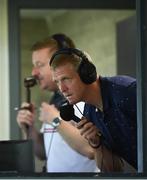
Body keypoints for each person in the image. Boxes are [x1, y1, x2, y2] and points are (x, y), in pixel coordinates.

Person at [16, 34, 98, 172]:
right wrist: (29, 128)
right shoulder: (55, 101)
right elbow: (42, 153)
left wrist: (55, 119)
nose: (34, 72)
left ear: (59, 63)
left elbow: (90, 149)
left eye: (39, 65)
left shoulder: (83, 99)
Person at [49, 47, 137, 172]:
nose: (62, 89)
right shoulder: (89, 114)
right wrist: (96, 143)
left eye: (66, 79)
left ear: (87, 73)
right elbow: (113, 170)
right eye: (57, 82)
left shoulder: (126, 91)